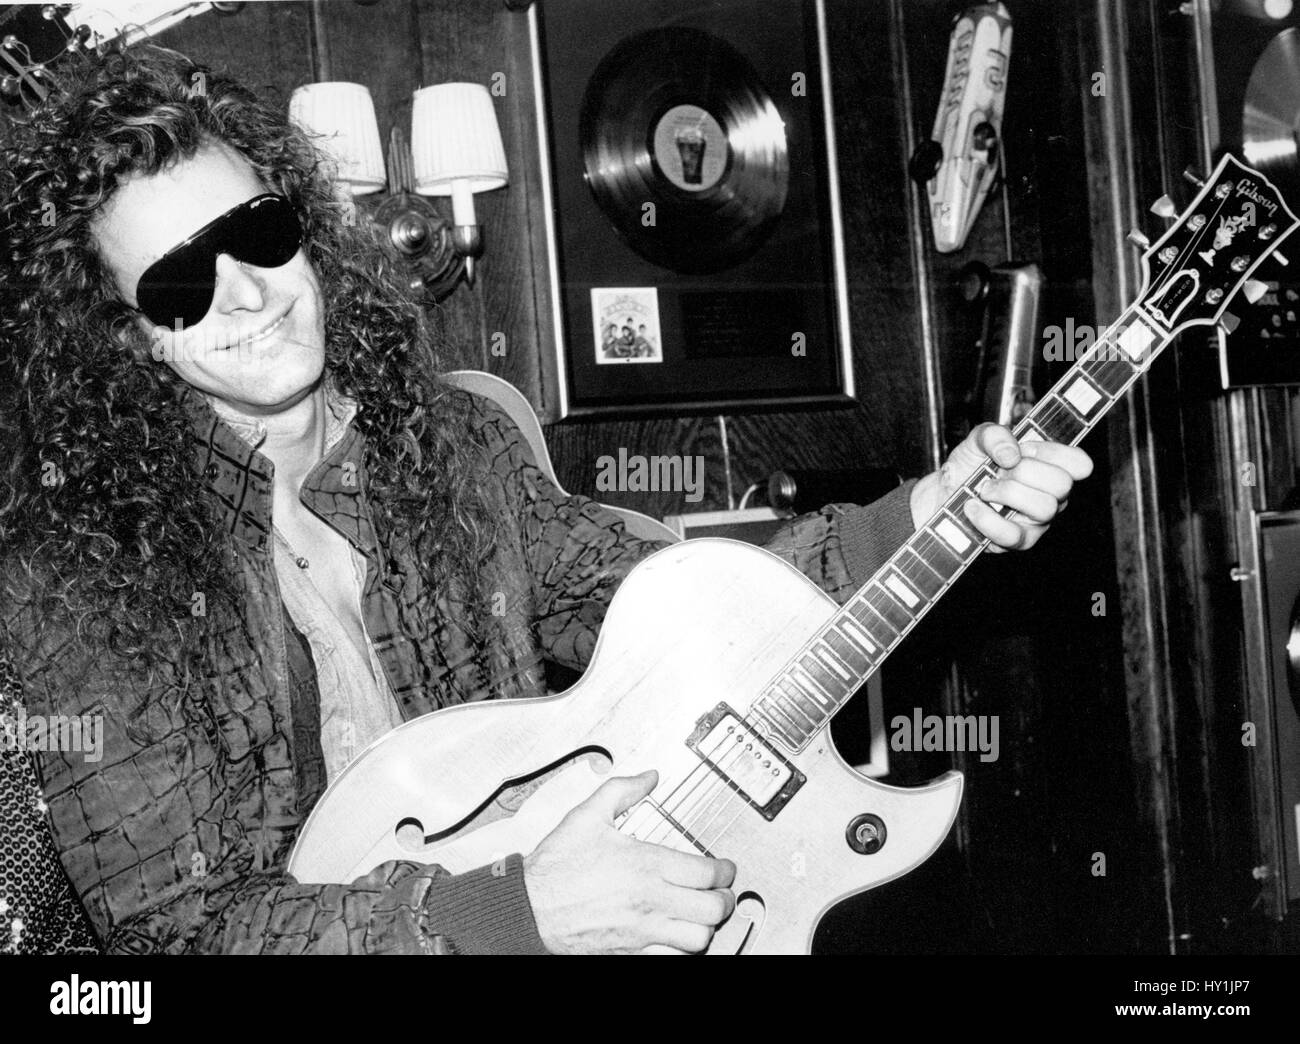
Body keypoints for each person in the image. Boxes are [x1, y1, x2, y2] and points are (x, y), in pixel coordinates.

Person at [0, 45, 1091, 955]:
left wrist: (924, 514)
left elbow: (661, 605)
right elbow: (168, 937)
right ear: (126, 338)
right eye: (181, 287)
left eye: (260, 236)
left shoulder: (458, 444)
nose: (247, 294)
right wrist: (508, 912)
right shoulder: (70, 577)